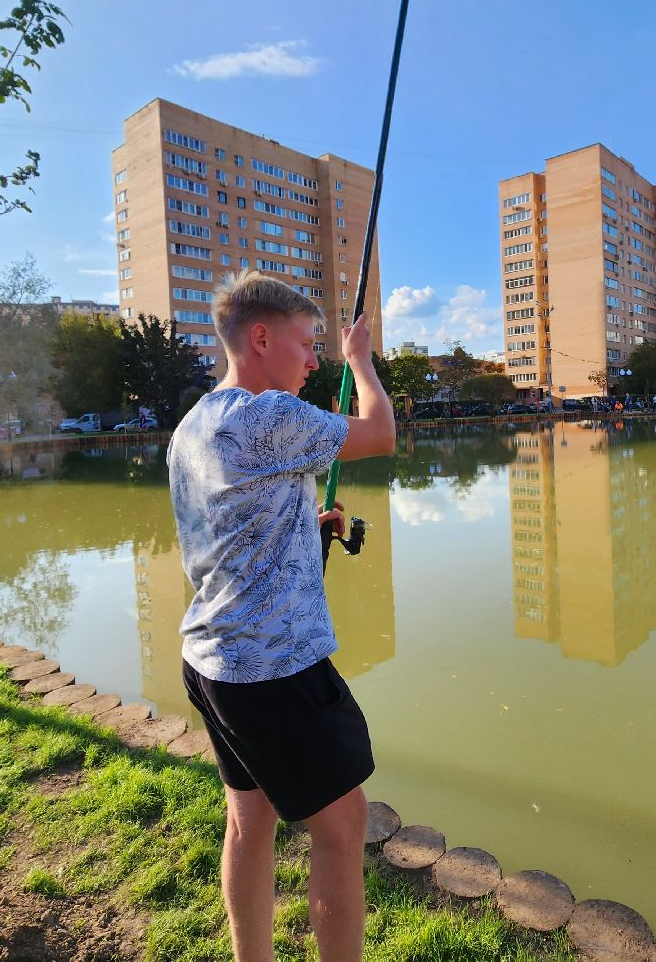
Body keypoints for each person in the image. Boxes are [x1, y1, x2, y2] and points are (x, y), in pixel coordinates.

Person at [168, 271, 395, 962]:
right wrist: (362, 359)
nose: (315, 359)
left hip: (212, 661)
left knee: (249, 820)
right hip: (274, 670)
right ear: (260, 338)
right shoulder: (270, 417)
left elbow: (232, 524)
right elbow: (379, 433)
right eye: (307, 343)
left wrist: (306, 525)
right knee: (343, 825)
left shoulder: (195, 424)